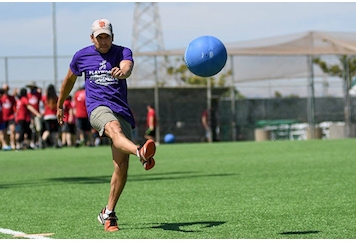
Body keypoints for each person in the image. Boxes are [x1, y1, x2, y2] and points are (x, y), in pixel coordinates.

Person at [56, 18, 156, 232]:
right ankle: (140, 151)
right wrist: (60, 104)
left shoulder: (123, 52)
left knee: (121, 167)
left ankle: (108, 213)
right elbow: (69, 81)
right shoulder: (81, 56)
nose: (103, 41)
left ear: (112, 37)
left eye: (106, 37)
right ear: (92, 38)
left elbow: (127, 67)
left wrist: (123, 72)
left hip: (121, 109)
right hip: (97, 108)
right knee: (114, 129)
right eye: (99, 37)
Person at [26, 81, 43, 149]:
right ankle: (32, 143)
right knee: (32, 129)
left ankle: (39, 142)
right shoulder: (28, 95)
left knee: (38, 129)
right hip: (30, 115)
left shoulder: (38, 94)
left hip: (37, 115)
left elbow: (42, 103)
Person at [1, 84, 17, 150]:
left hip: (11, 117)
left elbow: (15, 107)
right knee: (3, 132)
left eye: (7, 89)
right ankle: (5, 145)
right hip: (3, 118)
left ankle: (13, 144)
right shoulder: (1, 98)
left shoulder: (12, 98)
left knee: (12, 130)